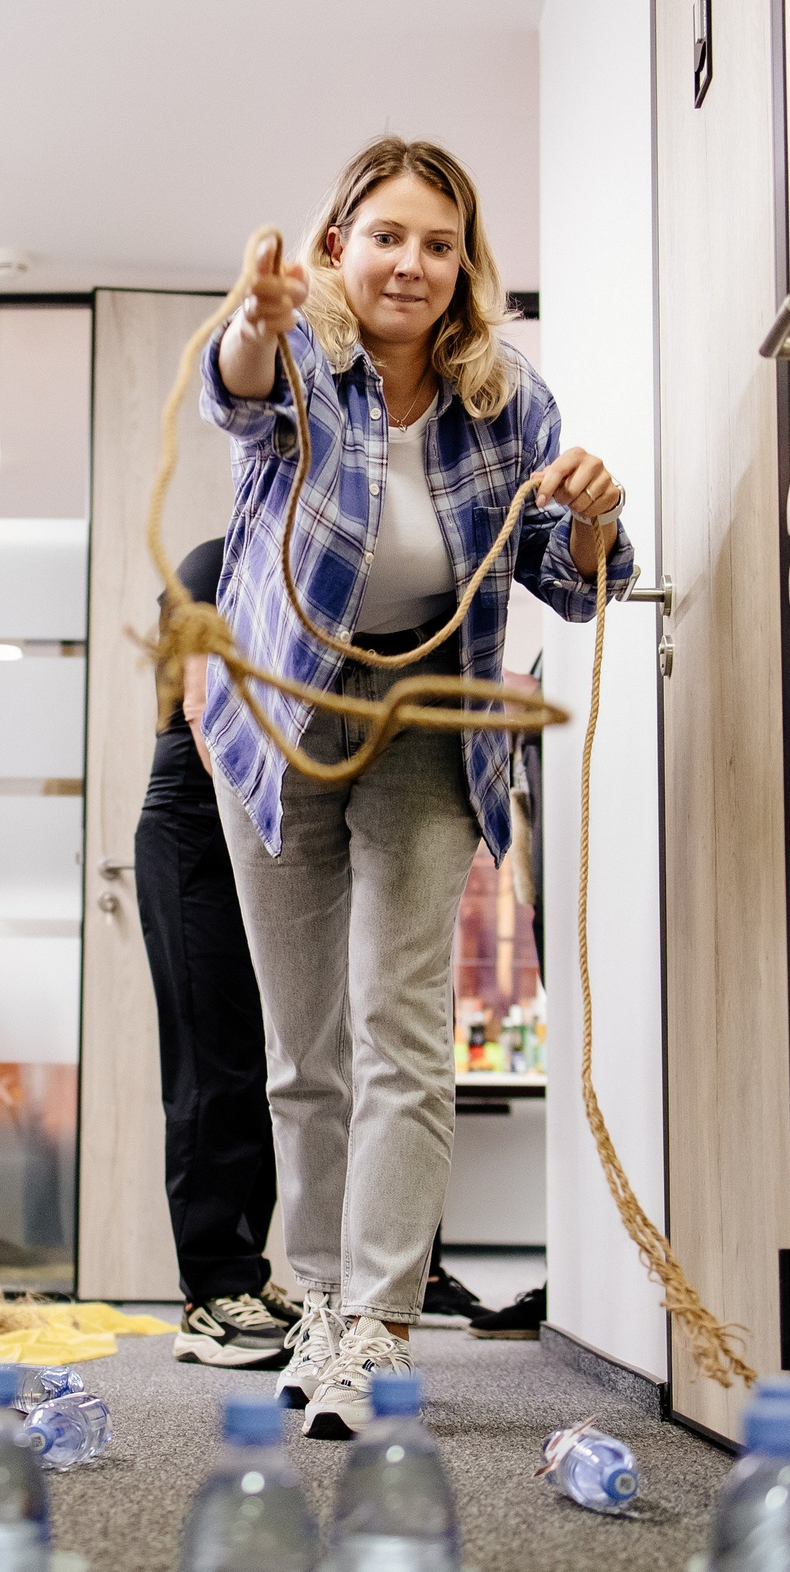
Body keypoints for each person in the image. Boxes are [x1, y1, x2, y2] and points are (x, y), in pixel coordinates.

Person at [201, 136, 633, 1438]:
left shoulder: (512, 402)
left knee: (401, 1019)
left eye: (438, 244)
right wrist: (251, 324)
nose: (412, 262)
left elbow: (577, 578)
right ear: (339, 247)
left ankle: (378, 1322)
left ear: (463, 267)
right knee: (303, 1042)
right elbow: (238, 395)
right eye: (387, 234)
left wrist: (598, 513)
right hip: (281, 717)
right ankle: (320, 1295)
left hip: (430, 724)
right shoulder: (302, 363)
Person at [136, 538, 299, 1370]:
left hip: (268, 828)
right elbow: (207, 715)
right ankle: (210, 1290)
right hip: (200, 825)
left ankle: (246, 1264)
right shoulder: (214, 565)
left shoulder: (315, 578)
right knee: (213, 1062)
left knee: (275, 1062)